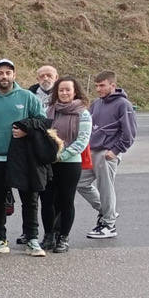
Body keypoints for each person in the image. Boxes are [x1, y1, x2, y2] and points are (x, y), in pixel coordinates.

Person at [0, 60, 45, 255]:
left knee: (29, 199)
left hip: (23, 158)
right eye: (0, 73)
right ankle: (0, 238)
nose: (4, 76)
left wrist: (26, 129)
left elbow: (42, 121)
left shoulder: (27, 97)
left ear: (14, 75)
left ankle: (32, 239)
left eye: (8, 73)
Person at [79, 70, 137, 239]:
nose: (98, 89)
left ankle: (109, 225)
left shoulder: (123, 104)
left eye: (102, 85)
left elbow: (129, 133)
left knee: (105, 187)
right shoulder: (97, 103)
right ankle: (106, 211)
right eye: (96, 86)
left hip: (107, 153)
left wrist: (115, 151)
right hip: (92, 151)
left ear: (113, 85)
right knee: (79, 182)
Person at [40, 76, 92, 253]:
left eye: (67, 90)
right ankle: (48, 236)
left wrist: (62, 155)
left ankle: (63, 237)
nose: (64, 93)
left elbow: (82, 140)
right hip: (48, 162)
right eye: (61, 90)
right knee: (47, 200)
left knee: (66, 200)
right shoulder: (48, 110)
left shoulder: (83, 113)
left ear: (74, 91)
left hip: (70, 163)